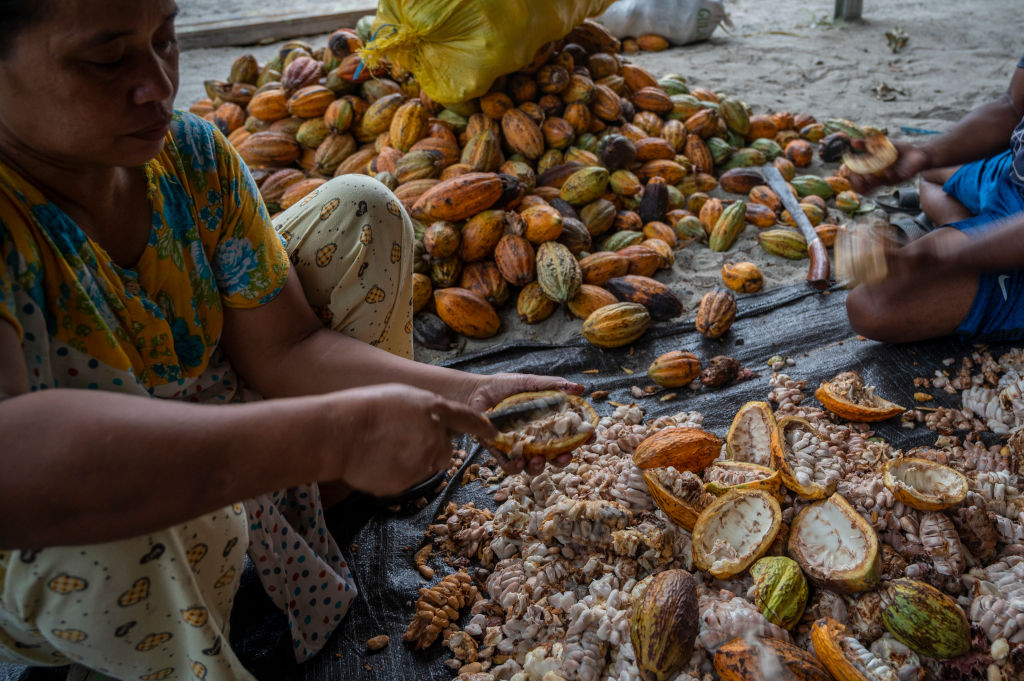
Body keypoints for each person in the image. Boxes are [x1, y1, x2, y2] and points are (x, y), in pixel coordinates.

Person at [0, 1, 581, 678]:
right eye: (107, 59)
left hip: (222, 415)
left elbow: (285, 347)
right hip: (70, 531)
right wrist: (336, 433)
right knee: (155, 514)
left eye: (164, 40)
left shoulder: (187, 156)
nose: (157, 84)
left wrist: (470, 392)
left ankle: (321, 514)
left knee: (362, 211)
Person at [845, 51, 1024, 343]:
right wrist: (926, 154)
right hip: (1012, 176)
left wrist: (940, 256)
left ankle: (976, 243)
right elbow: (1013, 105)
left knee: (869, 308)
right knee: (931, 174)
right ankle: (967, 230)